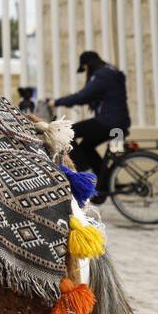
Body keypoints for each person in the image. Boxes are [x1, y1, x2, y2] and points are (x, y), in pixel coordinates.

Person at [54, 50, 132, 202]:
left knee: (69, 132)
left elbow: (84, 95)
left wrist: (56, 102)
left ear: (88, 64)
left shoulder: (101, 75)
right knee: (86, 146)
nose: (85, 73)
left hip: (109, 123)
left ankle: (86, 175)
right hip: (120, 124)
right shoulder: (112, 72)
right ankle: (103, 182)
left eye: (84, 69)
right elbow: (91, 96)